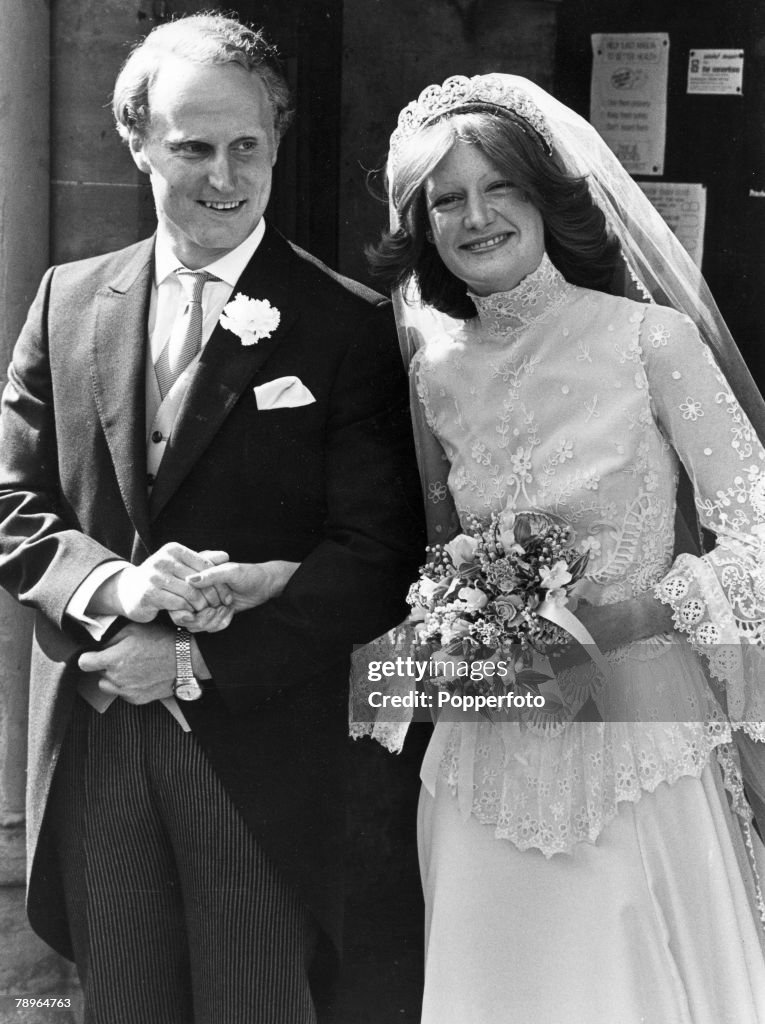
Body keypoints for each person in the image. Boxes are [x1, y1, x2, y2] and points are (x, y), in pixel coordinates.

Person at [0, 13, 424, 1024]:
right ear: (138, 140)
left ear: (277, 144)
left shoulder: (347, 325)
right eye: (193, 146)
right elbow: (13, 501)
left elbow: (373, 557)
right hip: (99, 729)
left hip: (264, 748)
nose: (223, 176)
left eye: (247, 147)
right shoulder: (66, 301)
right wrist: (117, 587)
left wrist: (199, 662)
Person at [356, 73, 765, 1022]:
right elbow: (443, 547)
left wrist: (639, 610)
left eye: (498, 187)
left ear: (544, 196)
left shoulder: (648, 340)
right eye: (446, 199)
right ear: (423, 225)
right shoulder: (434, 369)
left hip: (636, 725)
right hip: (486, 733)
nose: (476, 216)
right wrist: (445, 633)